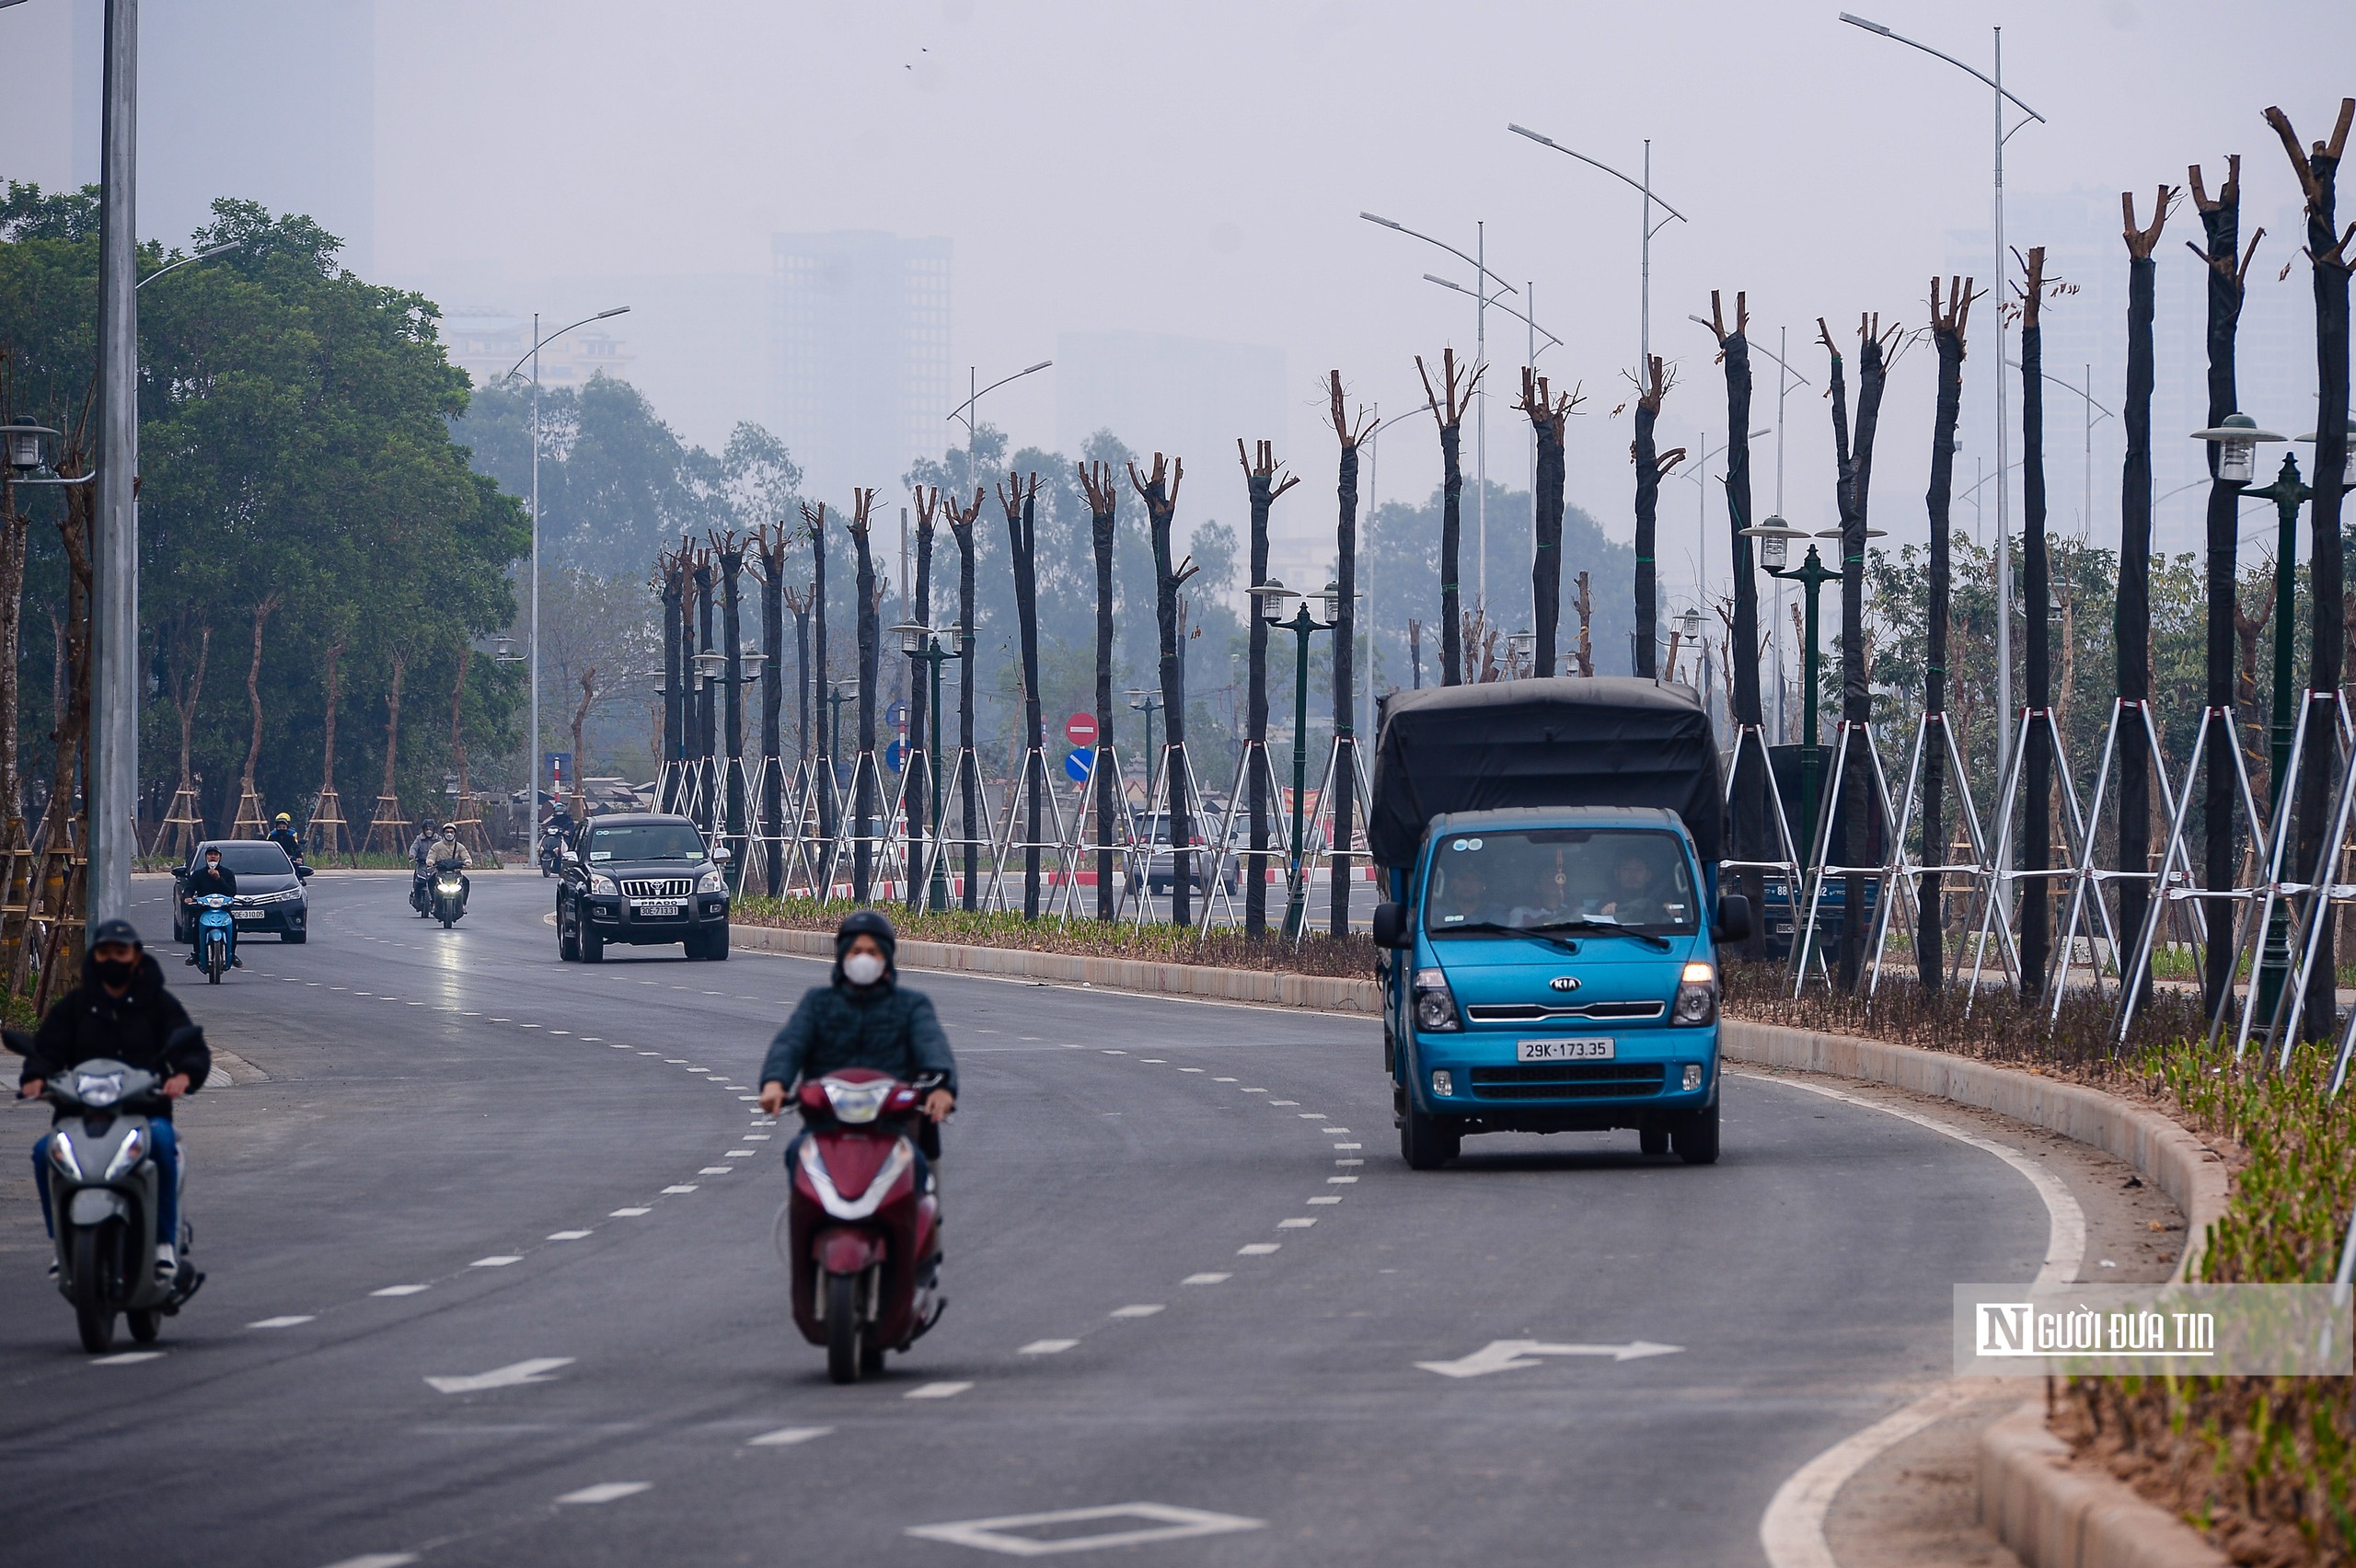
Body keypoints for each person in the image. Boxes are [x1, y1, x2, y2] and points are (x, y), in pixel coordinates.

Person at [17, 918, 208, 1285]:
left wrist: (184, 1075)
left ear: (135, 957)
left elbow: (190, 1048)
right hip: (79, 1118)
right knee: (44, 1153)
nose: (113, 959)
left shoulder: (158, 1005)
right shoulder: (75, 1007)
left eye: (120, 953)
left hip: (144, 1114)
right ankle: (62, 1245)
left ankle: (164, 1244)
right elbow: (47, 1050)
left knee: (165, 1144)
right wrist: (36, 1077)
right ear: (95, 958)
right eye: (105, 953)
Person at [757, 910, 957, 1130]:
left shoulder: (911, 1005)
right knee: (797, 1154)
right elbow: (790, 1044)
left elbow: (932, 1043)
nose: (864, 958)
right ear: (843, 956)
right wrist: (774, 1082)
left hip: (891, 1125)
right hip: (826, 1124)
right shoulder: (818, 1003)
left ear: (887, 957)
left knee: (917, 1162)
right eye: (856, 951)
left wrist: (942, 1087)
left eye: (873, 952)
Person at [182, 844, 239, 966]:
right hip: (204, 908)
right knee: (197, 924)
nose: (213, 857)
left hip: (223, 909)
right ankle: (196, 954)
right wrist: (187, 897)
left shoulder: (227, 873)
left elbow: (232, 892)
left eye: (215, 855)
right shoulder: (198, 874)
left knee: (233, 924)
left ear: (220, 857)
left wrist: (218, 878)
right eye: (210, 854)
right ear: (206, 857)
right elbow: (189, 888)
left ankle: (232, 954)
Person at [429, 823, 473, 910]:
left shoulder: (459, 847)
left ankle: (463, 904)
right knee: (430, 881)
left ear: (455, 834)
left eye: (451, 832)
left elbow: (466, 856)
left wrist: (468, 862)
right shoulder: (437, 846)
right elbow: (431, 855)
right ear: (443, 833)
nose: (449, 834)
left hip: (456, 873)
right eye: (447, 832)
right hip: (440, 872)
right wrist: (430, 861)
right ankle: (433, 902)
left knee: (466, 882)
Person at [409, 824, 437, 912]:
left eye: (431, 829)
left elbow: (443, 849)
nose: (429, 831)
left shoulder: (438, 840)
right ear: (423, 830)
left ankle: (436, 901)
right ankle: (416, 895)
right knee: (418, 878)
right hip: (421, 864)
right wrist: (412, 855)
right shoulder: (419, 839)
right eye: (427, 829)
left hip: (434, 866)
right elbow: (414, 847)